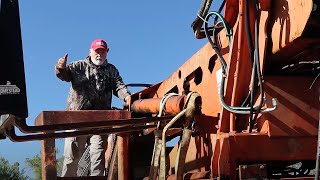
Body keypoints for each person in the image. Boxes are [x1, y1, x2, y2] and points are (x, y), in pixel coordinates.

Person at [55, 39, 131, 177]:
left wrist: (126, 96)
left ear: (107, 52)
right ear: (90, 52)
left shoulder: (111, 70)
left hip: (100, 122)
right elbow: (64, 75)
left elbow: (119, 86)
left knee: (98, 159)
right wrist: (60, 67)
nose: (99, 54)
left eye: (102, 51)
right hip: (77, 120)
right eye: (97, 51)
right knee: (71, 158)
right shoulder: (78, 66)